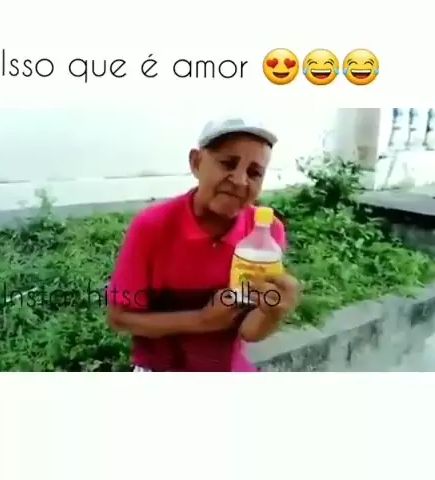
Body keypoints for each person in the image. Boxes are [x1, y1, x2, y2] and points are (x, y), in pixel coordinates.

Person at [107, 116, 301, 372]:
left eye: (254, 173)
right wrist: (201, 321)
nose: (240, 180)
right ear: (197, 162)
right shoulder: (152, 227)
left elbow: (249, 331)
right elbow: (119, 318)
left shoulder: (266, 233)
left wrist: (273, 312)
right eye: (228, 163)